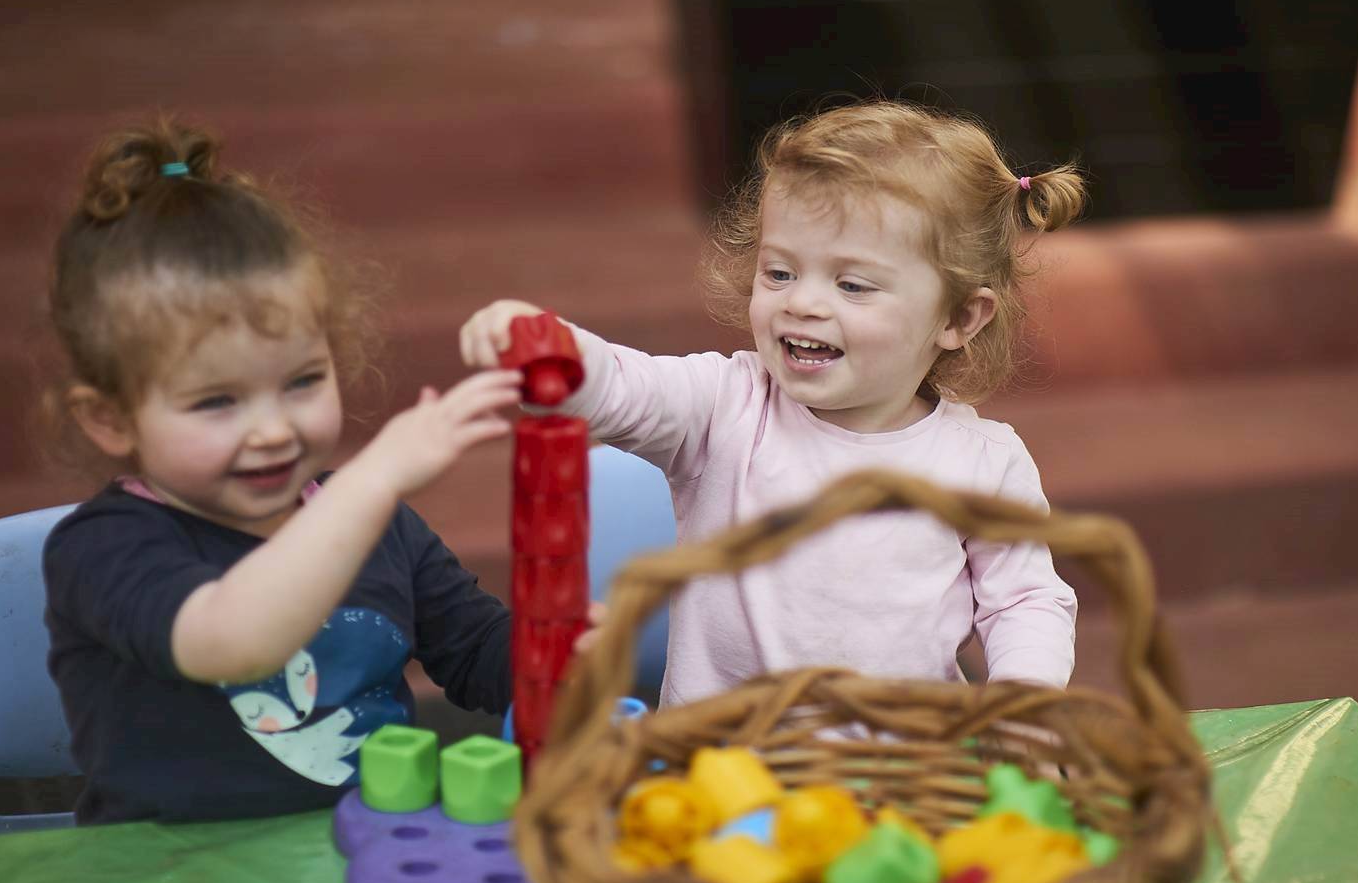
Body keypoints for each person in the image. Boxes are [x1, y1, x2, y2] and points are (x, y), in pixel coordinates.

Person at [459, 99, 1081, 708]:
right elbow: (627, 388)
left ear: (959, 317)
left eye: (852, 284)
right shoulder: (725, 406)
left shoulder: (984, 463)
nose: (802, 302)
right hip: (719, 772)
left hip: (903, 774)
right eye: (779, 273)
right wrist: (551, 347)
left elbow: (1025, 601)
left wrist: (1023, 701)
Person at [40, 117, 525, 824]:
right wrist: (368, 485)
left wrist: (566, 651)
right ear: (110, 418)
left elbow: (480, 653)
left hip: (379, 863)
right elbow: (231, 641)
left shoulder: (377, 520)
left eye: (301, 381)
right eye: (216, 401)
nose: (273, 430)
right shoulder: (103, 549)